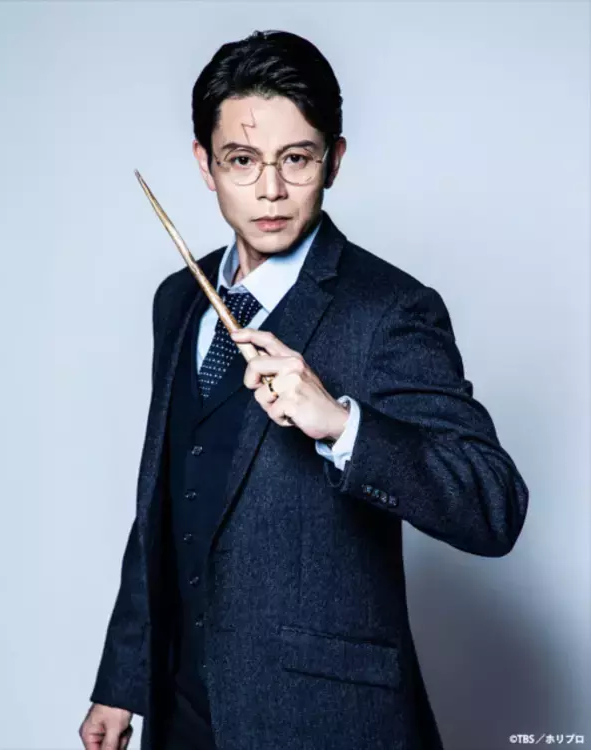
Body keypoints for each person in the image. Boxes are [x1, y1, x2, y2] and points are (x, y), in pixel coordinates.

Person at [79, 29, 529, 750]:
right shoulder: (178, 299)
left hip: (321, 720)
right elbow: (163, 500)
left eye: (296, 158)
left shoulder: (390, 309)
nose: (270, 190)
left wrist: (342, 425)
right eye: (242, 160)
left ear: (334, 160)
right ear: (205, 164)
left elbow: (493, 505)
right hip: (182, 714)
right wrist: (121, 682)